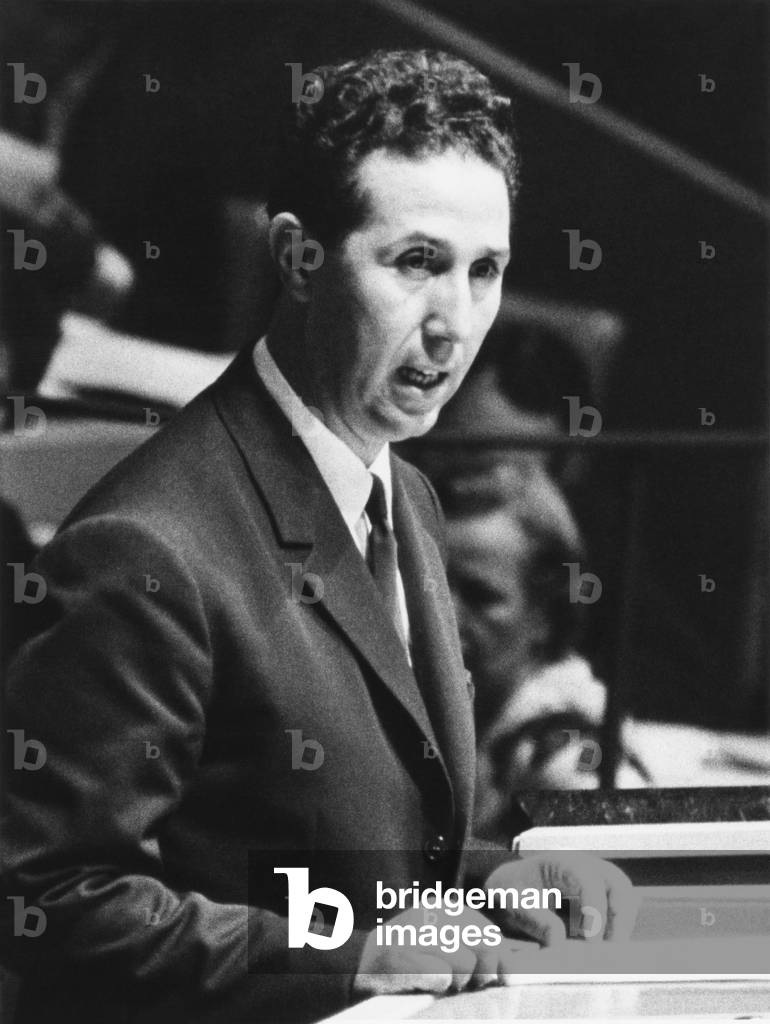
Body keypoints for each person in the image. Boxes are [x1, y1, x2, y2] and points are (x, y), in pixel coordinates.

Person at [1, 49, 637, 1024]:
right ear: (298, 257)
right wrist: (349, 959)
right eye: (415, 262)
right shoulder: (145, 547)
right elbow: (55, 903)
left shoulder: (406, 492)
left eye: (484, 272)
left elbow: (335, 844)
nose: (453, 323)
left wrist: (490, 881)